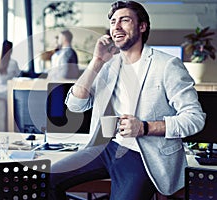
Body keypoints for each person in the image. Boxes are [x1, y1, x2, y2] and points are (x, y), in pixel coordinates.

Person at [49, 1, 206, 200]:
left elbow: (195, 118)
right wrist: (96, 61)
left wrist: (144, 127)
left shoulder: (167, 65)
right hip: (105, 147)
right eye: (113, 22)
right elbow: (75, 105)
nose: (116, 26)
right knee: (46, 179)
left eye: (125, 20)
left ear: (142, 26)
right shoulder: (107, 65)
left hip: (143, 155)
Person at [0, 40, 21, 132]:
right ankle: (11, 134)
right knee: (11, 117)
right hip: (9, 93)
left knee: (0, 117)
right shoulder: (13, 63)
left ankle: (1, 136)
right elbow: (18, 75)